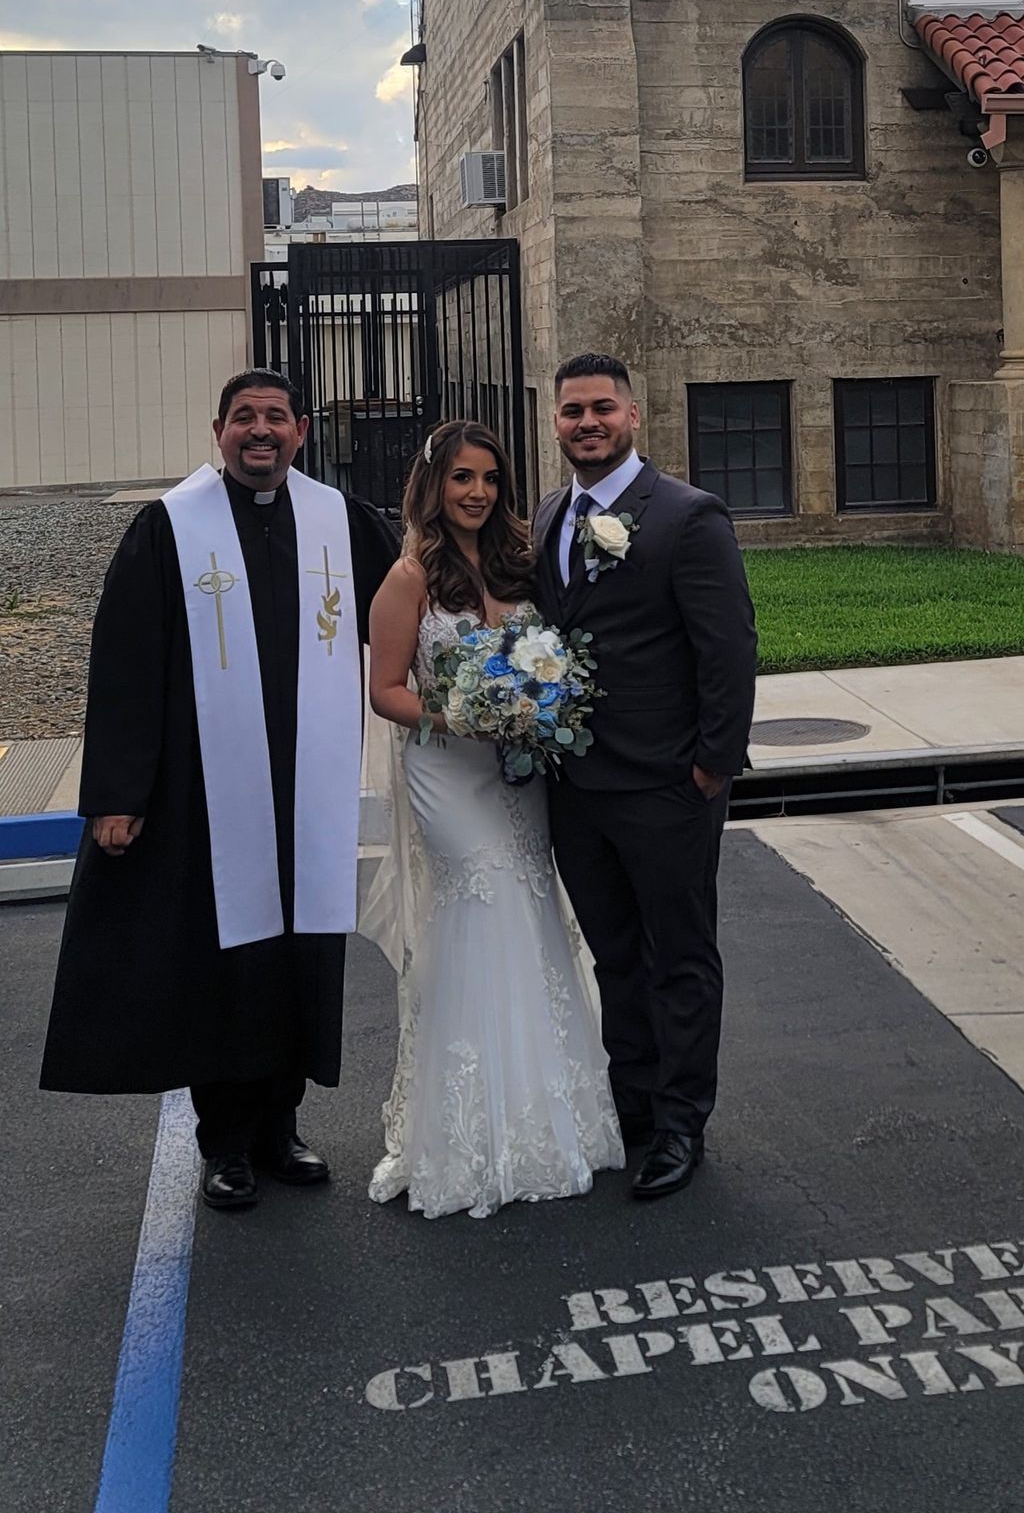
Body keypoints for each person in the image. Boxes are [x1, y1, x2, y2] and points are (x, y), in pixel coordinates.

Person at [40, 371, 396, 1212]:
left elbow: (410, 609)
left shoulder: (338, 522)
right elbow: (123, 668)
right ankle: (226, 1141)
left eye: (275, 417)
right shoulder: (168, 527)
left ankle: (282, 1125)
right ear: (219, 430)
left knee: (298, 954)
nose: (260, 431)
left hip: (307, 785)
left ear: (301, 432)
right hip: (206, 796)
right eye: (245, 418)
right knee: (223, 961)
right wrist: (119, 793)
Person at [359, 419, 621, 1220]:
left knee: (534, 912)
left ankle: (546, 1111)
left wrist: (532, 705)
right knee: (481, 905)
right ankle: (468, 1132)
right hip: (449, 769)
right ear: (433, 485)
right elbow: (386, 689)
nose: (477, 492)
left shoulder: (518, 560)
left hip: (517, 775)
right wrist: (462, 712)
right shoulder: (408, 576)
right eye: (461, 478)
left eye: (489, 479)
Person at [533, 353, 757, 1201]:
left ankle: (680, 1122)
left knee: (680, 957)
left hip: (667, 786)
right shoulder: (552, 512)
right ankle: (631, 1102)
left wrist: (710, 765)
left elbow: (728, 648)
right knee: (616, 956)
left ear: (633, 415)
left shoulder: (687, 516)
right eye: (570, 411)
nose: (585, 422)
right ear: (555, 423)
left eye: (600, 408)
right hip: (576, 790)